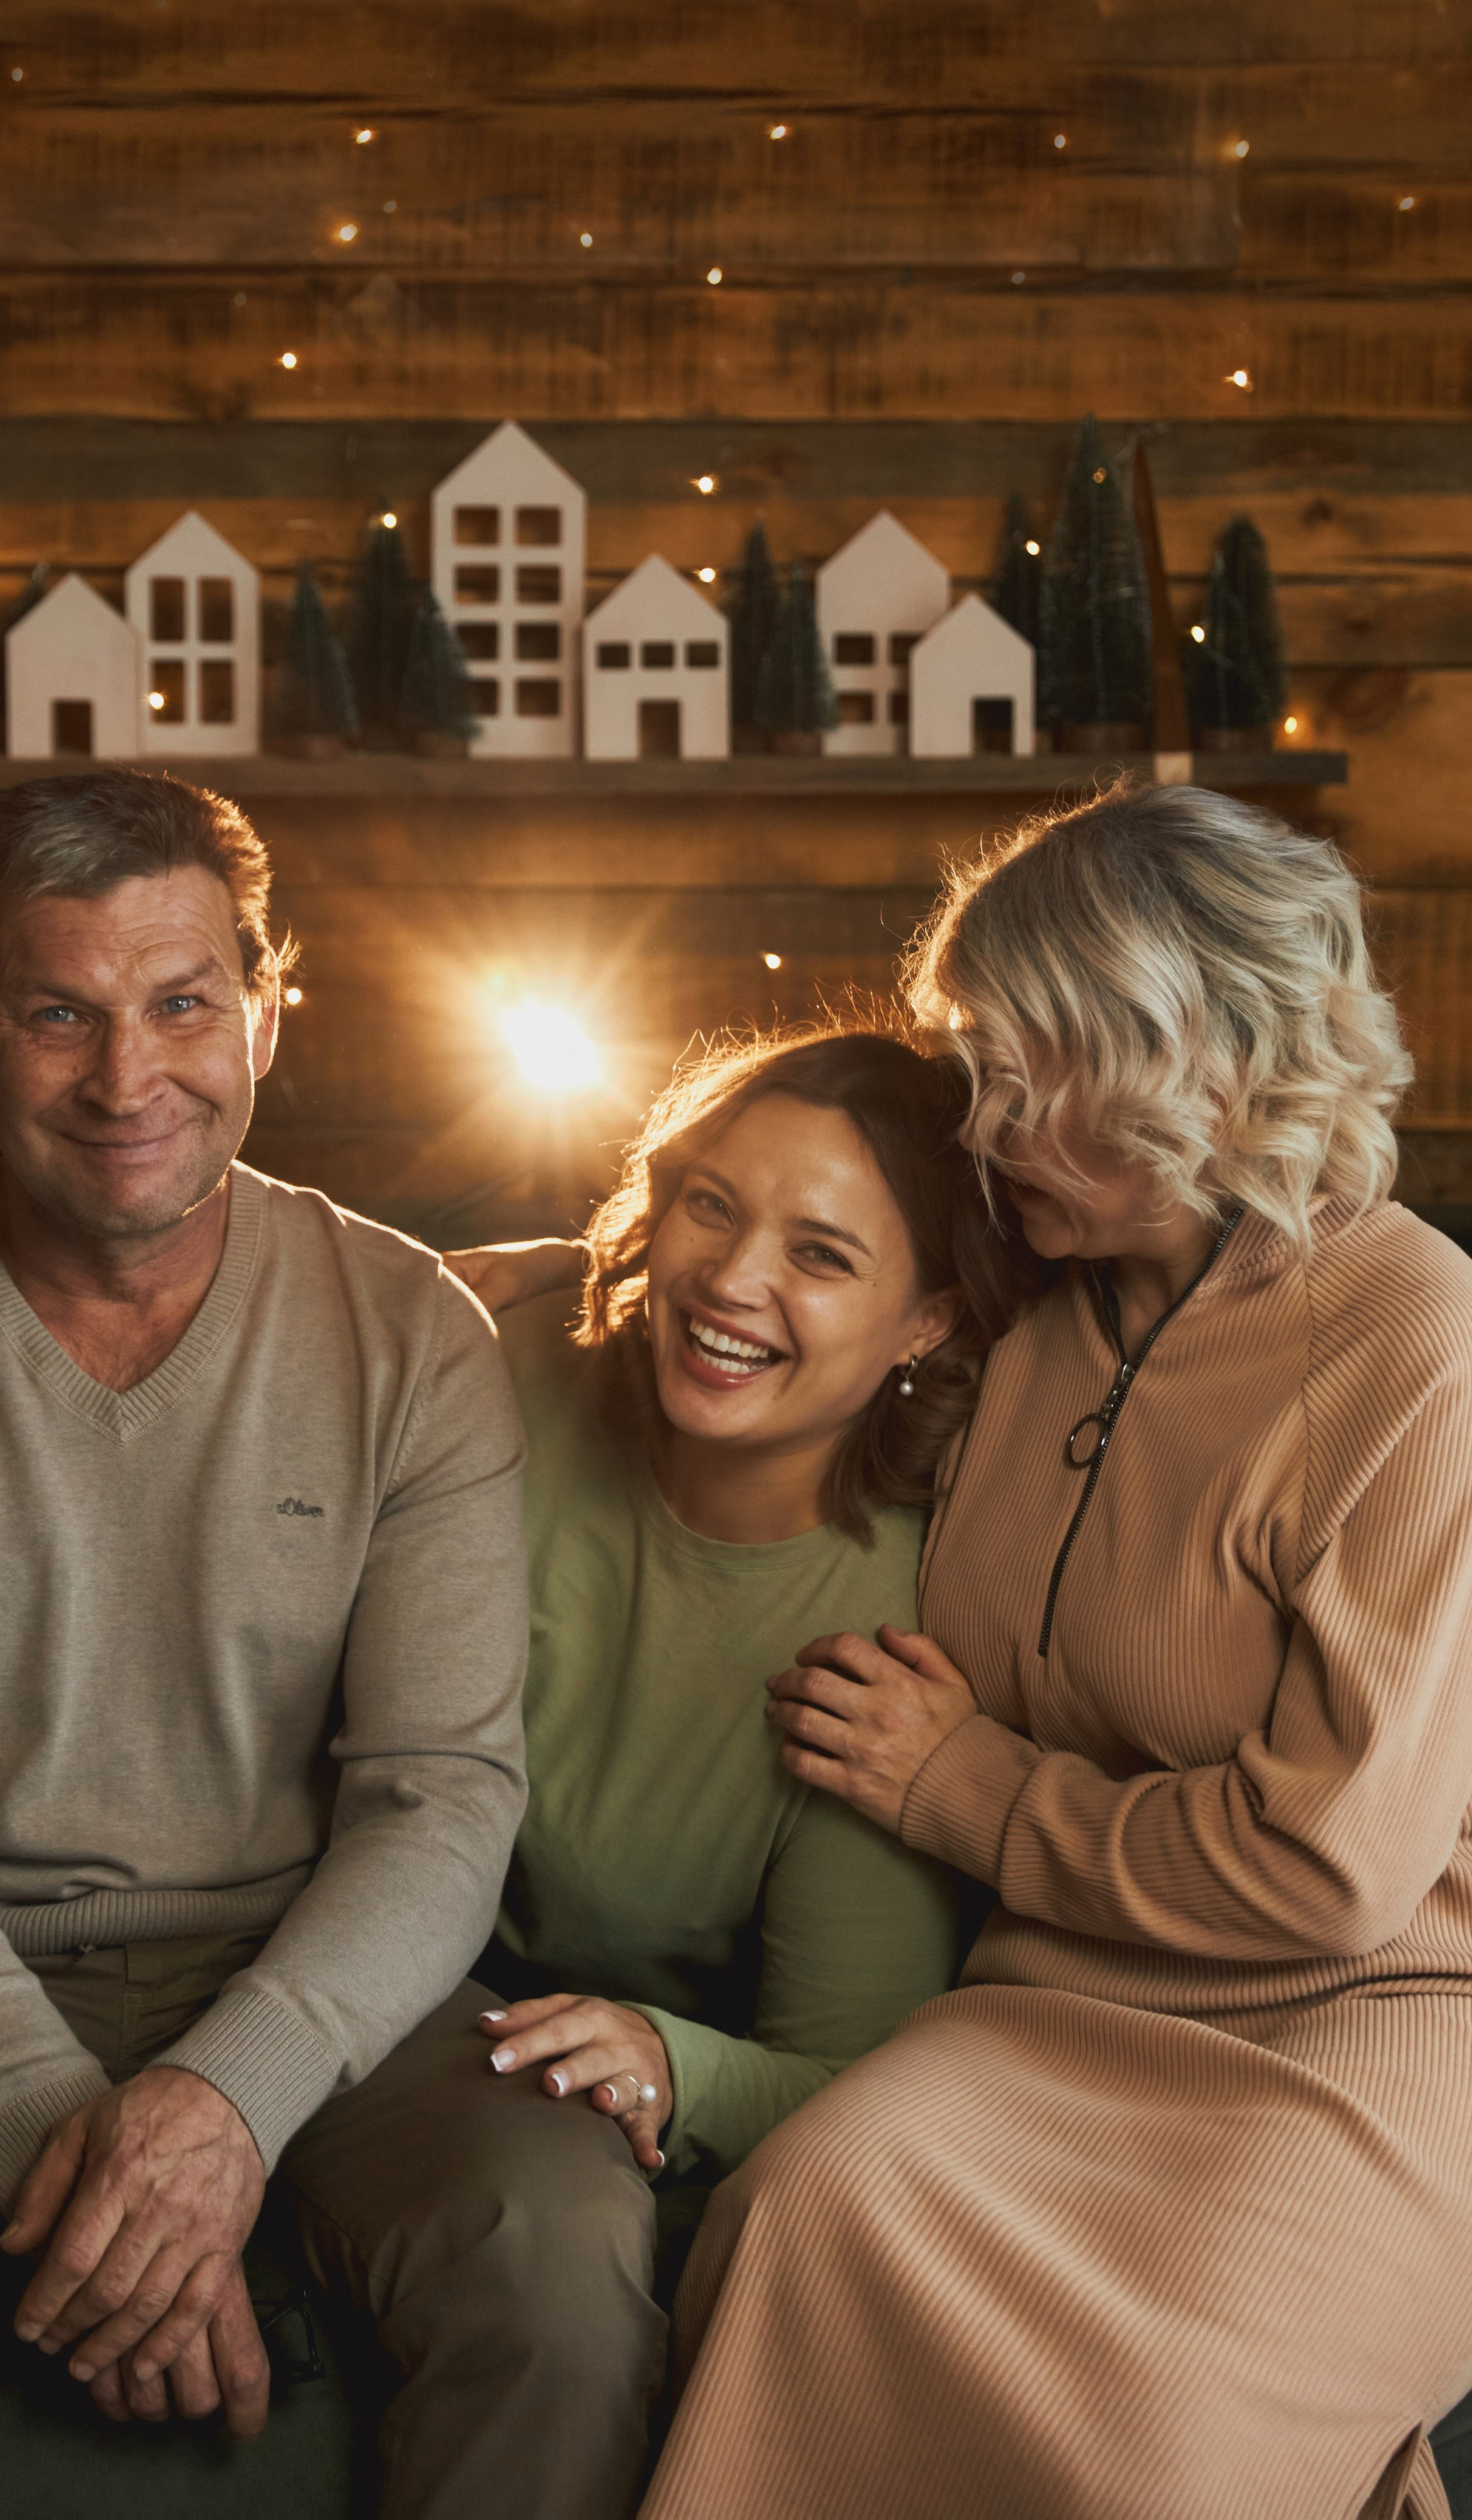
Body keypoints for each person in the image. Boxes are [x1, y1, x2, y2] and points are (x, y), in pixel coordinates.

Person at [641, 783, 1472, 2520]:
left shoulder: (1415, 1346)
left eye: (1034, 1072)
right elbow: (746, 1281)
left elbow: (1334, 1871)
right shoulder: (1024, 1288)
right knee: (795, 2216)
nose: (983, 1119)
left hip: (1409, 1996)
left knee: (1153, 2436)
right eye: (977, 1058)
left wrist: (967, 1790)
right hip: (1071, 1990)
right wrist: (454, 1292)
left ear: (1204, 1064)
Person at [0, 769, 532, 2520]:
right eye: (57, 1012)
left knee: (549, 2246)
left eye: (181, 1004)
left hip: (310, 1964)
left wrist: (222, 2105)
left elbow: (439, 1796)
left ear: (266, 1016)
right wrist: (95, 2161)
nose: (127, 1080)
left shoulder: (413, 1334)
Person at [281, 1022, 1040, 2517]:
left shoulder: (881, 1652)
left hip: (518, 2079)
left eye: (820, 1254)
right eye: (709, 1206)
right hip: (312, 1944)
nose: (731, 1279)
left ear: (925, 1325)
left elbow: (855, 2075)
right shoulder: (502, 1369)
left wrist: (669, 2061)